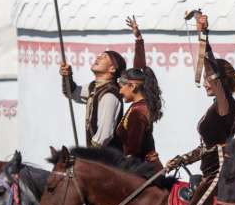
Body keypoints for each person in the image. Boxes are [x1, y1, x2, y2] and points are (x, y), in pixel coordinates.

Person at [165, 12, 235, 205]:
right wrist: (180, 159)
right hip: (211, 167)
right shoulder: (216, 109)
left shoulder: (225, 105)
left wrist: (204, 36)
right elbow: (206, 147)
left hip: (219, 173)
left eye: (210, 81)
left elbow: (214, 72)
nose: (206, 84)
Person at [60, 17, 144, 148]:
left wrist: (88, 158)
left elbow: (104, 136)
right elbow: (72, 93)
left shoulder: (110, 95)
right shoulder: (94, 87)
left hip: (105, 162)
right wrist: (67, 76)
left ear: (112, 69)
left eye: (104, 57)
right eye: (100, 55)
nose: (98, 57)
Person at [115, 16, 165, 171]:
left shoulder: (138, 112)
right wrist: (138, 39)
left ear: (132, 86)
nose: (120, 91)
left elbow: (133, 152)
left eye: (121, 86)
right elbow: (140, 70)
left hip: (141, 173)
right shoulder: (142, 105)